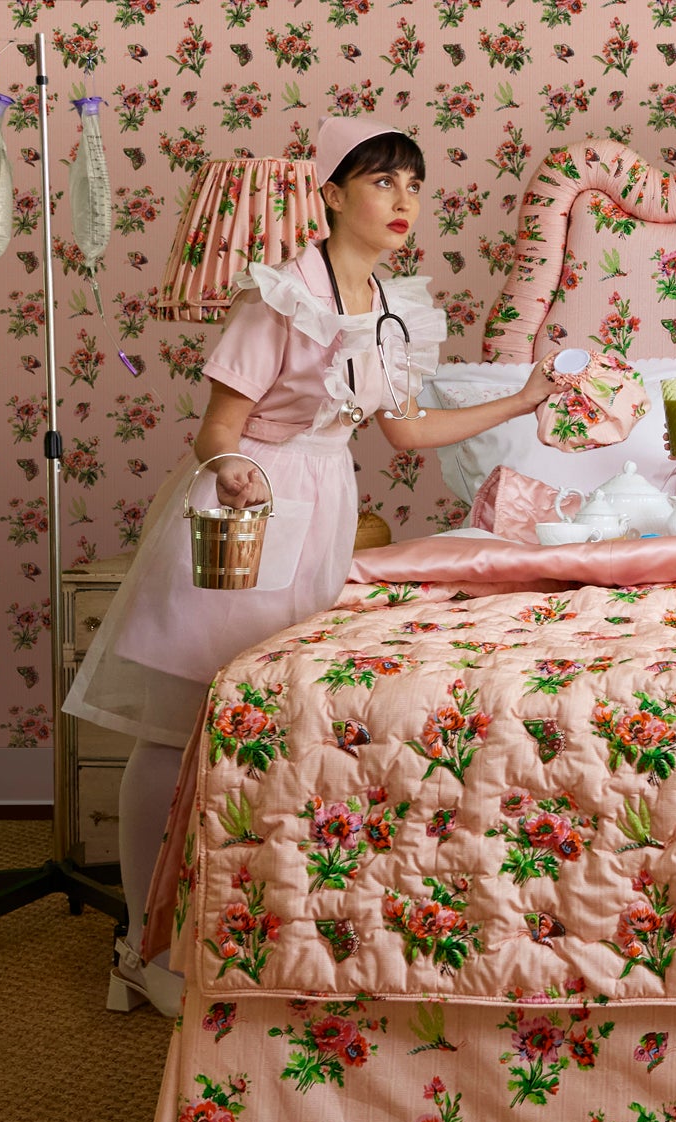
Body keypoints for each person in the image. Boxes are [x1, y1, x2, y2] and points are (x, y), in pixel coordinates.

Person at [63, 116, 553, 1015]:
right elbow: (218, 427)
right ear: (331, 193)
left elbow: (405, 433)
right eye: (380, 182)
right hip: (244, 512)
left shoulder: (395, 306)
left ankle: (238, 925)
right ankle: (138, 943)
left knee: (278, 727)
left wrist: (522, 398)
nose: (403, 200)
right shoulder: (279, 295)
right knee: (177, 733)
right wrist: (235, 470)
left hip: (323, 515)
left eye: (413, 184)